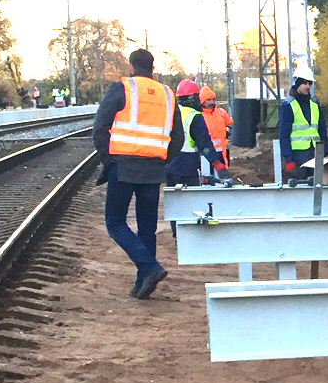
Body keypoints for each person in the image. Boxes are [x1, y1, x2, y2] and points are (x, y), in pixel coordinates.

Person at [94, 48, 185, 299]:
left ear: (132, 66)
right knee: (148, 227)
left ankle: (150, 269)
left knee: (115, 222)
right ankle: (143, 282)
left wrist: (108, 160)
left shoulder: (122, 88)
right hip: (153, 169)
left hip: (122, 167)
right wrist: (162, 159)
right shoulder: (168, 94)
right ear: (152, 68)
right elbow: (178, 137)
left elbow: (100, 127)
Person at [165, 79, 224, 189]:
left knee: (173, 199)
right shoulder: (194, 116)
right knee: (191, 200)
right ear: (193, 98)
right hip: (187, 165)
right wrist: (216, 163)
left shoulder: (170, 112)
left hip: (170, 164)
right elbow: (204, 142)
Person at [278, 65, 328, 185]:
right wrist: (288, 159)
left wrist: (327, 150)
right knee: (300, 188)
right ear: (297, 83)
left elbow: (322, 130)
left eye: (309, 83)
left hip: (316, 152)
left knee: (317, 185)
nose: (308, 86)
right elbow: (284, 134)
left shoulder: (315, 104)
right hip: (298, 156)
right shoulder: (288, 105)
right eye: (304, 83)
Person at [199, 86, 234, 180]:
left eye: (213, 99)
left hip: (221, 152)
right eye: (208, 100)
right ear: (202, 101)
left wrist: (227, 131)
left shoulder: (221, 112)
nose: (211, 102)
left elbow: (229, 123)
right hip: (206, 153)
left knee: (223, 176)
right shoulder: (198, 115)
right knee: (207, 177)